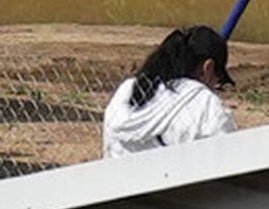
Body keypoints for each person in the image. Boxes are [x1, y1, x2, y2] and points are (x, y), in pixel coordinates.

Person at [102, 26, 238, 157]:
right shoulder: (207, 106)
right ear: (207, 68)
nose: (216, 85)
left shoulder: (127, 91)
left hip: (120, 178)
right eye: (218, 78)